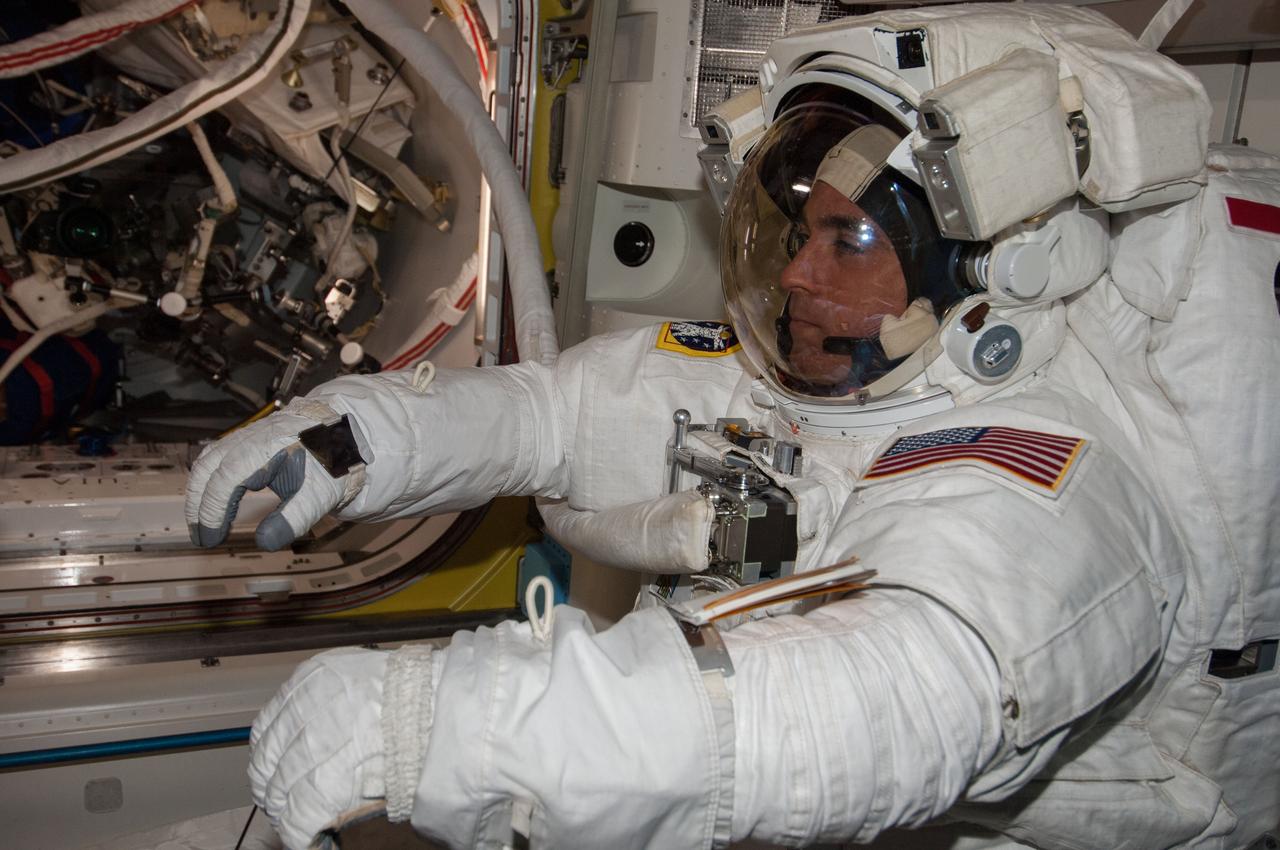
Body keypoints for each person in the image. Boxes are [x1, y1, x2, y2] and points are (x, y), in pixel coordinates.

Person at [187, 5, 1280, 849]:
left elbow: (883, 698)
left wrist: (440, 726)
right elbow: (549, 414)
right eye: (797, 230)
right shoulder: (799, 379)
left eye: (846, 241)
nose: (798, 275)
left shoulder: (1050, 479)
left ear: (996, 266)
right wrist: (348, 439)